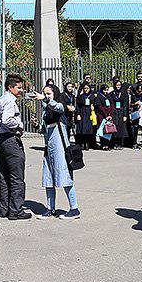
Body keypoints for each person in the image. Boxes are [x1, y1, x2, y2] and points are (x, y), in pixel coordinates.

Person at [38, 84, 80, 219]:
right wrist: (36, 125)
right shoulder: (46, 112)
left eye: (49, 93)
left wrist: (45, 99)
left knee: (65, 177)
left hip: (61, 148)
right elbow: (44, 129)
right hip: (49, 148)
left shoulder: (59, 107)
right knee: (48, 178)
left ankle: (74, 209)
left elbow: (59, 107)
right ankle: (50, 209)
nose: (46, 96)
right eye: (45, 93)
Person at [0, 73, 31, 220]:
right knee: (17, 177)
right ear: (10, 87)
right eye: (19, 88)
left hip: (0, 139)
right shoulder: (10, 101)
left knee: (4, 175)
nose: (21, 90)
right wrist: (20, 125)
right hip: (10, 140)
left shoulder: (0, 100)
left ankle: (5, 208)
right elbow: (7, 119)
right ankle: (16, 210)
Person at [107, 79, 130, 149]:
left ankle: (119, 143)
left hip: (121, 112)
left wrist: (125, 115)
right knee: (114, 127)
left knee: (121, 128)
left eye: (119, 85)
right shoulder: (111, 94)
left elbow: (125, 105)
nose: (118, 86)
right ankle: (113, 143)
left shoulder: (124, 94)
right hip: (114, 112)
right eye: (117, 85)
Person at [74, 82, 97, 150]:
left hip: (90, 113)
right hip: (82, 113)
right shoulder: (80, 96)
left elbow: (96, 104)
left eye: (87, 88)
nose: (86, 90)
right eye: (85, 88)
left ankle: (87, 143)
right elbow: (78, 106)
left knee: (89, 129)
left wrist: (93, 106)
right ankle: (82, 143)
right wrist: (78, 114)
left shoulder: (93, 96)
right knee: (82, 129)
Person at [130, 74, 142, 149]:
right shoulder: (133, 87)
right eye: (138, 77)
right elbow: (130, 102)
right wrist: (135, 103)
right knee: (135, 127)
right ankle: (134, 143)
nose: (140, 91)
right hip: (135, 110)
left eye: (141, 77)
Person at [94, 83, 114, 149]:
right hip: (102, 115)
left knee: (108, 129)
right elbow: (100, 107)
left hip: (108, 115)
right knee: (102, 129)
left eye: (107, 90)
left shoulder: (108, 96)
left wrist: (110, 114)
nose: (106, 92)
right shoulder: (99, 96)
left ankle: (107, 144)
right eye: (105, 90)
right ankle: (103, 144)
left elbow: (112, 106)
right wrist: (105, 115)